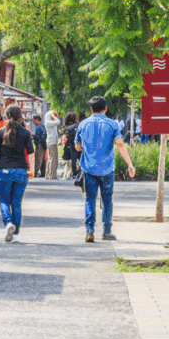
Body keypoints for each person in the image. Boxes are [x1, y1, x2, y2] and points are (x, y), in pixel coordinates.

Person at [75, 96, 136, 242]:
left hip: (89, 169)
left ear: (91, 109)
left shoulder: (83, 124)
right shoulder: (112, 124)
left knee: (90, 199)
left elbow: (77, 146)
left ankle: (89, 230)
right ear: (106, 108)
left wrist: (88, 148)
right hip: (107, 168)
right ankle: (107, 231)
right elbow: (120, 144)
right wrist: (129, 164)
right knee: (107, 199)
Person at [0, 105, 34, 243]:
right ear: (20, 116)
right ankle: (16, 235)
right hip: (21, 171)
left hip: (4, 171)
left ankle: (8, 223)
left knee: (4, 201)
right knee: (16, 203)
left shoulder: (0, 132)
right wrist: (31, 169)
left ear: (7, 115)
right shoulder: (25, 133)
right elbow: (31, 153)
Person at [62, 112, 81, 177]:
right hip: (82, 145)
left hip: (72, 145)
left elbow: (66, 137)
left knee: (73, 158)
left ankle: (74, 172)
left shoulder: (68, 128)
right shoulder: (81, 125)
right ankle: (81, 172)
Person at [43, 110, 60, 179]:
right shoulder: (48, 122)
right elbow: (58, 122)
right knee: (53, 158)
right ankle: (52, 175)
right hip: (51, 141)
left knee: (51, 158)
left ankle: (48, 174)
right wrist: (52, 115)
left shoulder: (49, 122)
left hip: (52, 141)